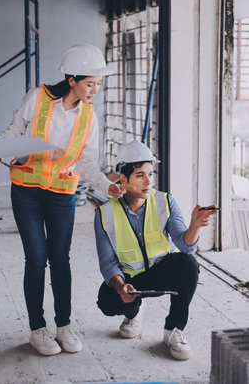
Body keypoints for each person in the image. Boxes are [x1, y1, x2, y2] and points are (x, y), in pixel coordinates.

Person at [0, 43, 125, 356]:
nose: (95, 91)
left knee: (60, 260)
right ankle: (37, 329)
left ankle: (64, 325)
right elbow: (14, 132)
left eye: (99, 84)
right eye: (90, 84)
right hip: (27, 193)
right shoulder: (37, 98)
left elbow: (87, 163)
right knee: (36, 260)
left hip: (62, 194)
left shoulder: (90, 117)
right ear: (72, 80)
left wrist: (105, 186)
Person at [94, 140, 218, 360]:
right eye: (140, 175)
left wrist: (195, 226)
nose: (148, 181)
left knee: (188, 264)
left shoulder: (165, 201)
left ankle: (174, 330)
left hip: (161, 273)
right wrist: (121, 286)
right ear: (123, 179)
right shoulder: (105, 214)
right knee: (106, 300)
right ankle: (134, 312)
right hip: (132, 281)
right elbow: (108, 263)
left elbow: (185, 245)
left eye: (151, 174)